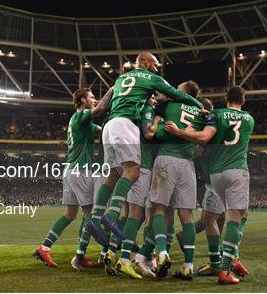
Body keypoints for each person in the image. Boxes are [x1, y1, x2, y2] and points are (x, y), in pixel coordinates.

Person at [86, 52, 202, 250]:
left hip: (109, 126)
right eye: (155, 65)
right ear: (146, 63)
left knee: (113, 175)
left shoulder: (121, 79)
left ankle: (94, 220)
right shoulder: (152, 78)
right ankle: (111, 216)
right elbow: (176, 94)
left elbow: (101, 107)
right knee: (133, 171)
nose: (157, 69)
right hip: (126, 124)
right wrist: (199, 106)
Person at [164, 86, 254, 285]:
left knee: (209, 218)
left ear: (225, 97)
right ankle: (226, 269)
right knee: (237, 217)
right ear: (244, 100)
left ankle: (219, 262)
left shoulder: (216, 114)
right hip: (236, 171)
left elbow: (205, 138)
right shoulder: (249, 119)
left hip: (215, 176)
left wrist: (184, 128)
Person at [34, 87, 112, 269]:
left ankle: (44, 248)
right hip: (80, 170)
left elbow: (104, 129)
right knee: (90, 213)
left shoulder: (78, 121)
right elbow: (100, 109)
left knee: (70, 214)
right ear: (83, 100)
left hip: (70, 170)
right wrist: (112, 91)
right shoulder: (81, 115)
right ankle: (80, 255)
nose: (95, 99)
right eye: (92, 97)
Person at [142, 80, 207, 281]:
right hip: (188, 165)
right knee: (186, 215)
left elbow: (150, 108)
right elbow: (201, 146)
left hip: (166, 159)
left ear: (184, 93)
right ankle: (188, 266)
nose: (172, 91)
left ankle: (162, 253)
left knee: (159, 209)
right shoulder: (202, 113)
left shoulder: (169, 105)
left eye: (177, 89)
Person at [104, 94, 161, 279]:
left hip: (128, 162)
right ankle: (125, 259)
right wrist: (159, 121)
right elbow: (148, 133)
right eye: (152, 97)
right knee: (136, 215)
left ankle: (111, 253)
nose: (154, 101)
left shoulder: (133, 112)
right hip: (142, 165)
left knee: (126, 214)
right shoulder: (147, 111)